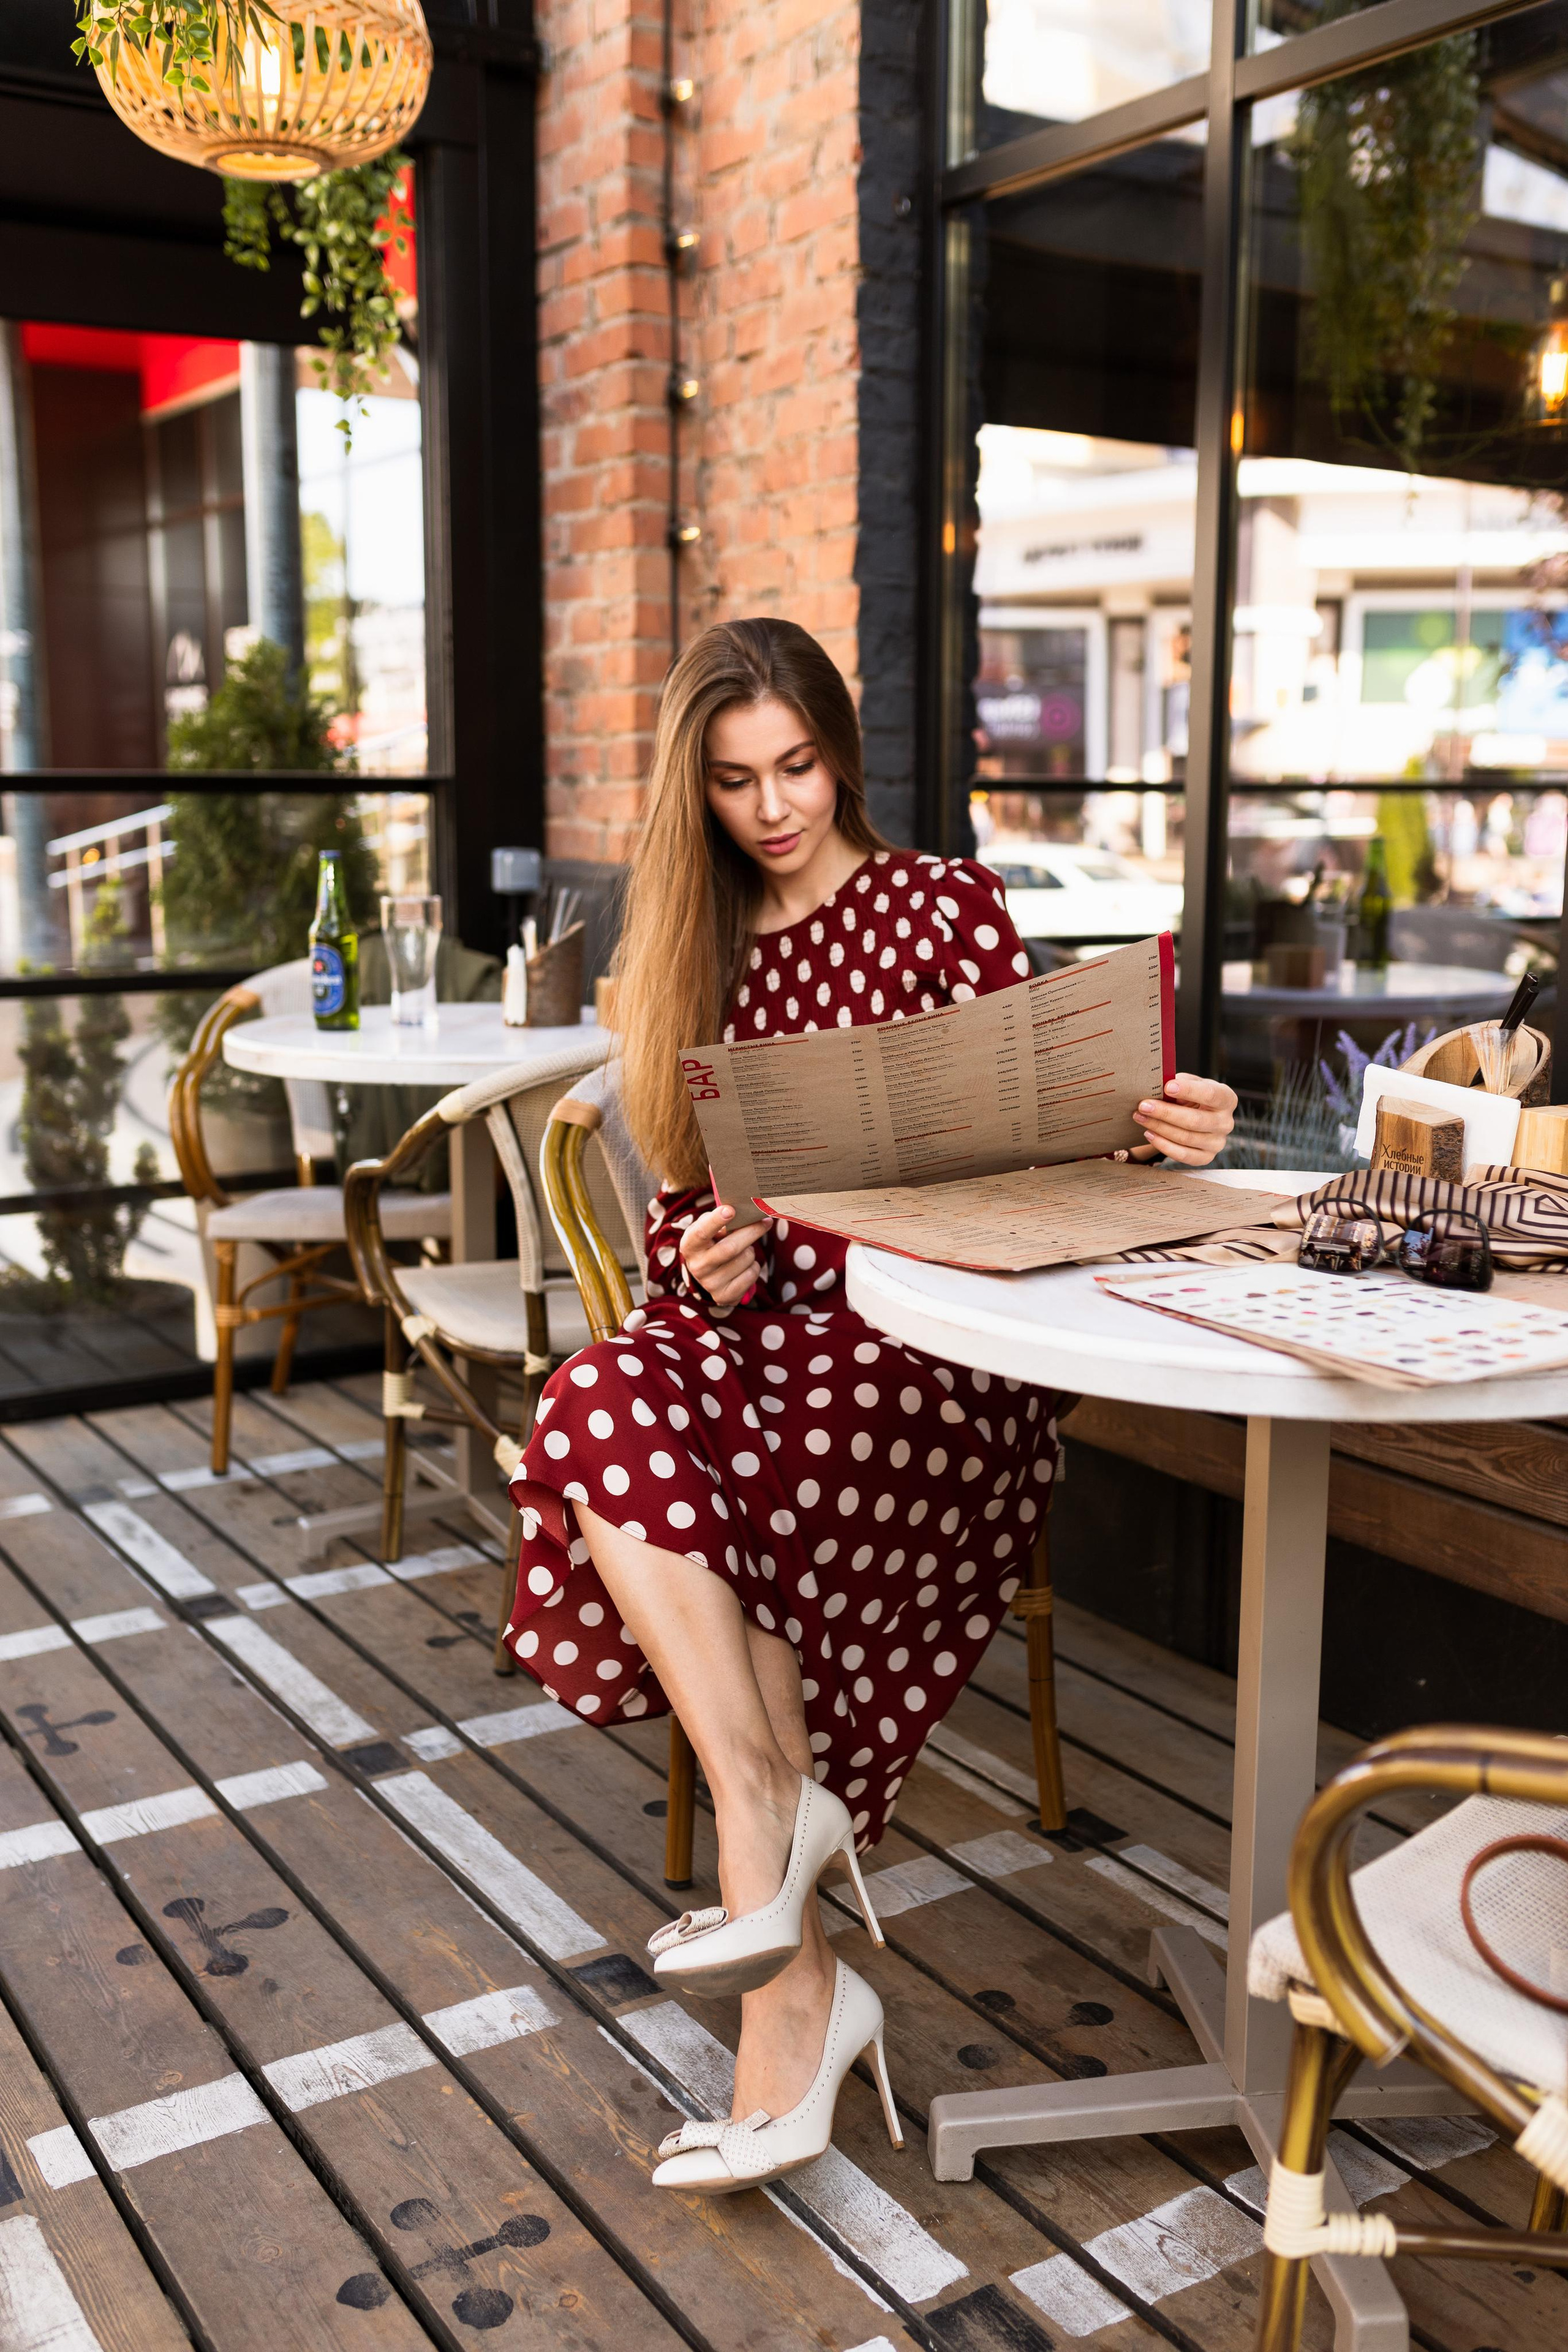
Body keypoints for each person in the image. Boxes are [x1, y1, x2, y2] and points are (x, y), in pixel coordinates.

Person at [504, 618, 1236, 2193]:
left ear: (839, 754)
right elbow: (683, 1222)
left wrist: (1160, 1133)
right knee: (601, 1395)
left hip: (941, 1351)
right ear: (692, 793)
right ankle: (772, 1829)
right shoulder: (700, 954)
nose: (774, 808)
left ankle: (780, 1956)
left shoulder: (938, 903)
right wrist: (706, 1259)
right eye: (734, 781)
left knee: (725, 1467)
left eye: (797, 767)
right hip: (772, 1334)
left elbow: (1054, 1138)